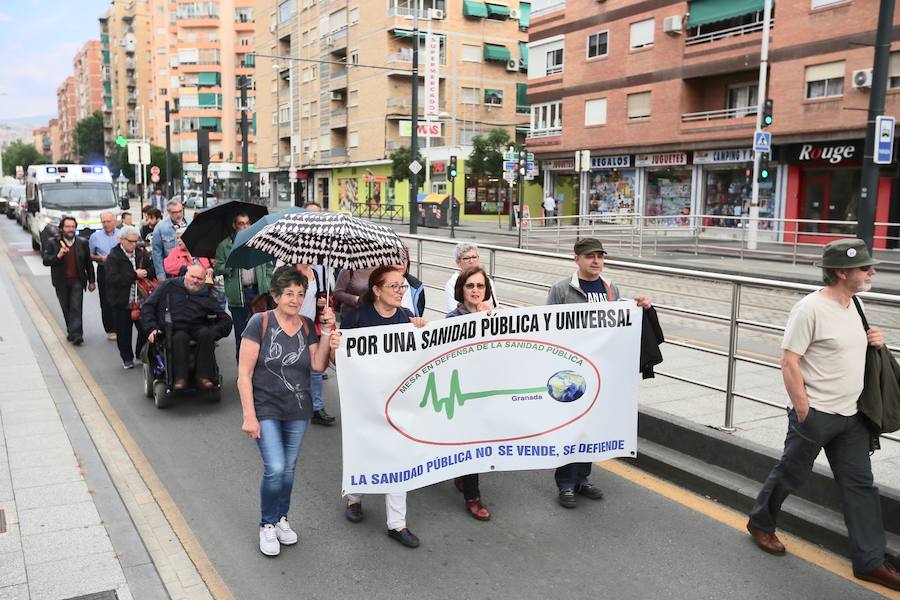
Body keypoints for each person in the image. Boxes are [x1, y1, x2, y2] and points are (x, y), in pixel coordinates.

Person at [747, 239, 900, 592]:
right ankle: (760, 522)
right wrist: (803, 409)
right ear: (842, 272)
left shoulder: (855, 304)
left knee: (860, 486)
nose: (871, 271)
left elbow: (848, 349)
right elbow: (789, 361)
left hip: (852, 418)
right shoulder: (809, 309)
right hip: (816, 414)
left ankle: (870, 561)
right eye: (864, 268)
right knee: (790, 473)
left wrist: (873, 338)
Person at [238, 266, 339, 556]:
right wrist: (249, 415)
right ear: (275, 295)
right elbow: (244, 373)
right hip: (265, 406)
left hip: (298, 407)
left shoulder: (307, 325)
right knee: (276, 468)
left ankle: (282, 518)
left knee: (289, 469)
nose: (295, 299)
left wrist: (328, 331)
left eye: (300, 293)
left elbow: (318, 366)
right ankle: (267, 523)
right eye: (289, 294)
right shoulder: (260, 322)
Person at [546, 238, 652, 508]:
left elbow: (619, 325)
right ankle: (566, 484)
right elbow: (547, 328)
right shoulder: (561, 289)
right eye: (590, 256)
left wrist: (639, 306)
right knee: (572, 427)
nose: (596, 261)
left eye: (600, 256)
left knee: (592, 426)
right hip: (571, 372)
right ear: (577, 259)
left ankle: (583, 478)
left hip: (600, 370)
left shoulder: (611, 289)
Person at [340, 265, 427, 548]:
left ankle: (397, 524)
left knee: (396, 456)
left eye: (402, 287)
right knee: (365, 448)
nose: (401, 292)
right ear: (376, 290)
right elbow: (336, 362)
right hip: (364, 400)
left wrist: (421, 330)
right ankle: (354, 497)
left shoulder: (405, 319)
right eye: (394, 287)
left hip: (395, 400)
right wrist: (334, 343)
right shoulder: (355, 318)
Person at [446, 266, 494, 521]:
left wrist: (494, 319)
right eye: (470, 286)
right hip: (464, 392)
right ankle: (473, 497)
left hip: (488, 388)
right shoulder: (452, 320)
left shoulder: (494, 316)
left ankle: (462, 474)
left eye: (480, 286)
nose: (476, 291)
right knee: (471, 440)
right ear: (461, 290)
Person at [141, 264, 232, 390]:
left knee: (206, 334)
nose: (195, 281)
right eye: (192, 276)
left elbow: (226, 320)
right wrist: (151, 328)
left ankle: (204, 377)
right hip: (172, 327)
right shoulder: (168, 286)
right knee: (180, 338)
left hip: (197, 326)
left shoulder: (206, 294)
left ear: (204, 280)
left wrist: (214, 332)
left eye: (199, 279)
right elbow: (148, 307)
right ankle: (179, 378)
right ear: (186, 274)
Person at [214, 212, 273, 360]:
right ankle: (243, 371)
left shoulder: (259, 241)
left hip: (258, 293)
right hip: (238, 296)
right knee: (242, 334)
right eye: (241, 223)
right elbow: (218, 268)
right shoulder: (225, 245)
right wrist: (232, 264)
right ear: (234, 225)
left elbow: (268, 267)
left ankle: (258, 370)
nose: (245, 226)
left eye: (247, 223)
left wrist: (269, 287)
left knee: (262, 333)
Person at [105, 225, 155, 369]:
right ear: (122, 240)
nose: (133, 244)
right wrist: (134, 275)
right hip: (122, 302)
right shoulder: (114, 256)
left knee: (145, 329)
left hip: (142, 300)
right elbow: (113, 278)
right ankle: (127, 358)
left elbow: (152, 269)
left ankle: (140, 352)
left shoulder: (141, 253)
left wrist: (145, 271)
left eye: (135, 241)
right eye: (130, 241)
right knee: (124, 333)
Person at [42, 216, 96, 345]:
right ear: (61, 228)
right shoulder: (53, 242)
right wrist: (58, 255)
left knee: (76, 307)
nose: (70, 229)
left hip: (77, 280)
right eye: (67, 227)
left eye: (73, 227)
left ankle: (77, 335)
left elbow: (88, 263)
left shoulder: (82, 243)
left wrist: (92, 281)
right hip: (61, 282)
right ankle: (71, 331)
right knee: (66, 308)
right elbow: (46, 260)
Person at [293, 262, 336, 426]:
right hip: (292, 327)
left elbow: (317, 296)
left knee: (316, 368)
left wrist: (321, 300)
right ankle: (294, 404)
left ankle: (317, 408)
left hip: (311, 327)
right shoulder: (289, 273)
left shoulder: (314, 272)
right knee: (294, 367)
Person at [88, 211, 121, 340]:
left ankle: (120, 326)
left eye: (109, 221)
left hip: (120, 269)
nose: (106, 224)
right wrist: (100, 258)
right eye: (104, 222)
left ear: (114, 221)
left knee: (120, 298)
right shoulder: (95, 237)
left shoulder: (121, 234)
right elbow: (89, 255)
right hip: (104, 269)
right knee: (106, 300)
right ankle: (110, 329)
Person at [443, 243, 498, 313]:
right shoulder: (452, 284)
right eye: (466, 258)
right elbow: (452, 311)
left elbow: (494, 305)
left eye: (474, 257)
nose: (471, 261)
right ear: (458, 262)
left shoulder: (488, 281)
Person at [152, 199, 191, 281]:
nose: (179, 214)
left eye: (180, 211)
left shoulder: (190, 223)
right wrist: (161, 276)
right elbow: (157, 254)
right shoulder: (160, 228)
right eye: (175, 212)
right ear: (169, 212)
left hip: (191, 272)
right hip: (171, 274)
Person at [397, 244, 425, 317]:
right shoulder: (377, 286)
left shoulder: (417, 286)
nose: (401, 263)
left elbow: (418, 316)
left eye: (404, 258)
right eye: (397, 258)